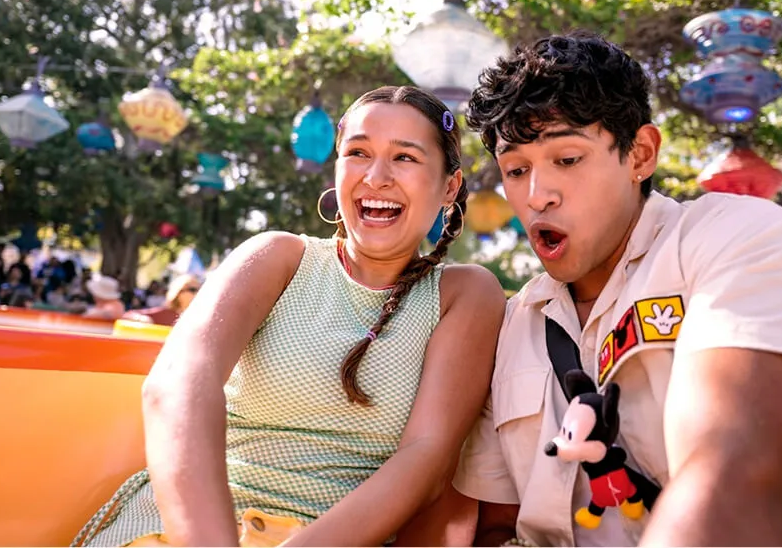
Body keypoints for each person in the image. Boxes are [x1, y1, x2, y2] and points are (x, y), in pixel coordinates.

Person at [452, 31, 782, 547]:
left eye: (567, 159)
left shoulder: (740, 241)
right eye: (516, 169)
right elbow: (498, 528)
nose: (537, 196)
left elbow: (731, 486)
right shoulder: (514, 325)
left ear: (640, 154)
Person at [73, 86, 506, 547]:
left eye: (405, 158)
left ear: (449, 187)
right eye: (357, 152)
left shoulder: (464, 294)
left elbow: (427, 459)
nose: (376, 177)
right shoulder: (277, 257)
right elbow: (178, 383)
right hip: (189, 529)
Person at [122, 274, 202, 326]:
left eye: (200, 289)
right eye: (193, 290)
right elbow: (127, 315)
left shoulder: (199, 317)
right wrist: (141, 319)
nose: (198, 293)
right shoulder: (165, 313)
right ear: (179, 293)